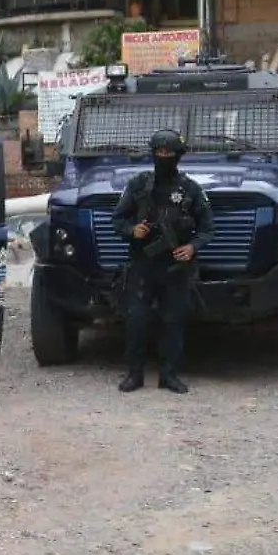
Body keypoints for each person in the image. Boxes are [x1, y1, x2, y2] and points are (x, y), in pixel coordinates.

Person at [112, 129, 214, 394]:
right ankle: (134, 374)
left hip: (176, 267)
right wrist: (132, 231)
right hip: (142, 265)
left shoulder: (190, 189)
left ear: (178, 155)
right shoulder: (138, 186)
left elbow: (207, 228)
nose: (164, 157)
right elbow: (117, 220)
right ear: (153, 154)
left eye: (169, 153)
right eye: (160, 152)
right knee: (136, 321)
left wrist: (192, 247)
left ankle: (169, 375)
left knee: (174, 321)